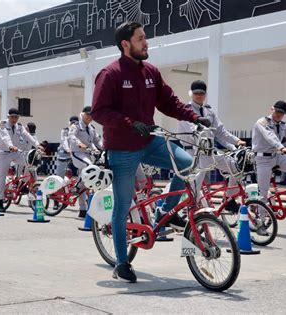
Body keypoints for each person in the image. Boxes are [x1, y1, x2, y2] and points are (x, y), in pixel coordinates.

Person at [91, 22, 209, 283]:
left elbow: (169, 102)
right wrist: (129, 123)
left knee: (187, 165)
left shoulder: (151, 72)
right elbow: (98, 111)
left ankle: (165, 214)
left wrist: (194, 118)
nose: (147, 42)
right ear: (126, 44)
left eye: (146, 38)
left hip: (149, 140)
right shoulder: (109, 74)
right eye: (141, 38)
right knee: (122, 208)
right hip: (122, 149)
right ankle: (122, 263)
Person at [178, 80, 245, 212]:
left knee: (236, 168)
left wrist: (236, 141)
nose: (199, 96)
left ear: (205, 94)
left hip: (209, 151)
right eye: (196, 93)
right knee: (195, 188)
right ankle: (191, 215)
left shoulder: (209, 111)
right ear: (191, 93)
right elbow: (195, 130)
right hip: (193, 153)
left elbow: (221, 131)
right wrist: (209, 132)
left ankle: (229, 199)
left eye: (202, 93)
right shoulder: (185, 110)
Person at [0, 108, 39, 212]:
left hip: (16, 153)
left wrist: (37, 145)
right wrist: (10, 146)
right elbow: (5, 137)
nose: (14, 119)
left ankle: (23, 185)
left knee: (30, 164)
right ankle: (0, 201)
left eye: (16, 117)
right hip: (4, 153)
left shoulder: (19, 126)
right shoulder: (2, 124)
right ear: (8, 116)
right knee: (2, 176)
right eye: (12, 117)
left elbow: (27, 135)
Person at [68, 106, 103, 218]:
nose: (89, 117)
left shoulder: (92, 128)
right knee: (89, 167)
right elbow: (71, 136)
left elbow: (97, 141)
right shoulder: (76, 126)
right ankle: (76, 186)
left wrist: (104, 147)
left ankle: (83, 209)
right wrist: (79, 144)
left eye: (91, 115)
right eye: (87, 115)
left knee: (86, 182)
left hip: (88, 154)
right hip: (77, 153)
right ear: (82, 115)